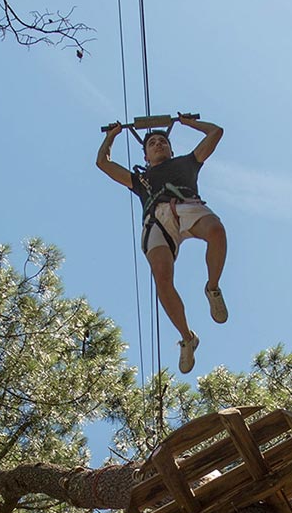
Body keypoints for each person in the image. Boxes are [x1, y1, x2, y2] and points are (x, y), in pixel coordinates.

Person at [96, 113, 228, 374]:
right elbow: (103, 162)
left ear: (171, 149)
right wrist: (111, 136)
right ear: (145, 156)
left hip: (185, 204)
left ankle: (212, 288)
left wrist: (188, 123)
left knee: (216, 231)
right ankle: (187, 338)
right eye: (152, 143)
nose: (158, 144)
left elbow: (216, 132)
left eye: (163, 141)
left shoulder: (187, 162)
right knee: (162, 277)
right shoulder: (140, 180)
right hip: (156, 218)